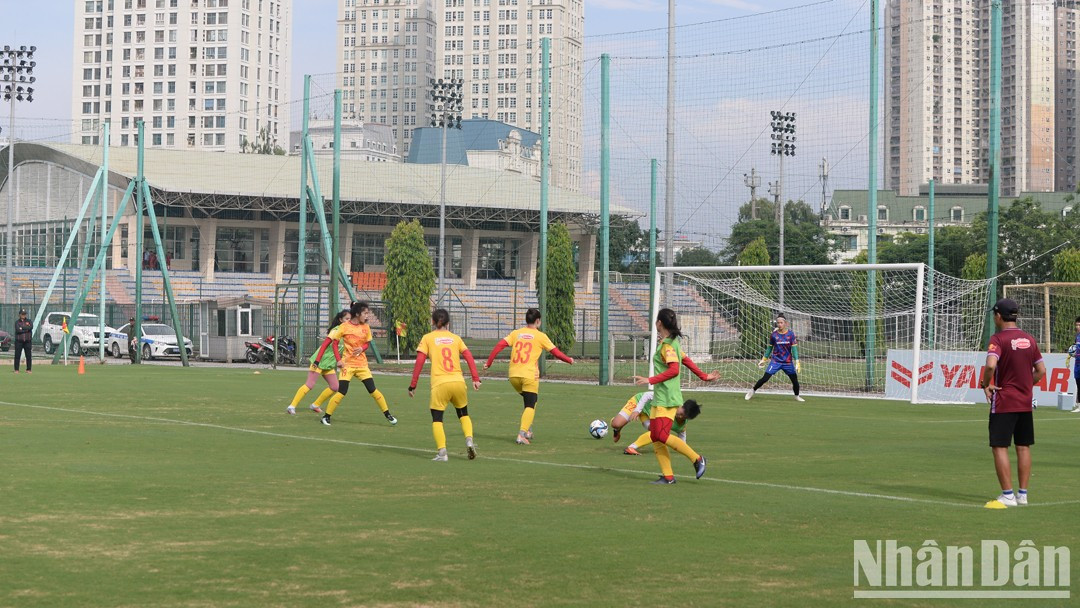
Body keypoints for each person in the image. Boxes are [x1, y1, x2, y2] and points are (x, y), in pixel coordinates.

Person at [631, 308, 720, 484]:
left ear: (659, 323)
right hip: (660, 397)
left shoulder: (669, 345)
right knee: (656, 436)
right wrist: (704, 376)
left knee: (662, 436)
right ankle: (668, 476)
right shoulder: (670, 343)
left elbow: (674, 369)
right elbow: (685, 360)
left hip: (668, 398)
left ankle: (697, 459)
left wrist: (650, 379)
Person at [981, 298, 1045, 509]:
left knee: (999, 446)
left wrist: (985, 384)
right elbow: (1041, 371)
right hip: (1025, 402)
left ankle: (1008, 495)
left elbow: (991, 365)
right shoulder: (1029, 339)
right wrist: (1028, 383)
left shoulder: (998, 339)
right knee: (1023, 446)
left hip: (1004, 400)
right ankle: (1022, 495)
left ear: (999, 316)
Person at [483, 307, 574, 445]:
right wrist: (569, 360)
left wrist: (489, 362)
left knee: (530, 401)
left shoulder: (517, 333)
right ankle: (521, 434)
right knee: (531, 404)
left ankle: (528, 430)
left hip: (513, 376)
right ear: (538, 321)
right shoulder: (541, 336)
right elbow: (556, 353)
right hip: (529, 376)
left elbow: (499, 345)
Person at [409, 308, 482, 462]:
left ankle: (442, 453)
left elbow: (420, 362)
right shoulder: (455, 338)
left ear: (433, 322)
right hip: (458, 382)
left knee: (437, 419)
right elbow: (468, 356)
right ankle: (469, 440)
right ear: (448, 323)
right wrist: (475, 378)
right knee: (463, 414)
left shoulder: (428, 338)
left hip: (440, 384)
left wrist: (413, 385)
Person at [320, 301, 398, 426]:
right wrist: (338, 360)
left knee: (373, 390)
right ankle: (326, 417)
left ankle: (388, 414)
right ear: (357, 314)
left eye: (368, 313)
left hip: (362, 365)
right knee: (342, 391)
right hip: (347, 365)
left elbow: (367, 343)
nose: (367, 316)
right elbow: (334, 343)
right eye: (365, 313)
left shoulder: (366, 327)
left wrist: (362, 348)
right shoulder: (344, 326)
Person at [286, 309, 349, 415]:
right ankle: (291, 406)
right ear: (340, 320)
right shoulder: (336, 330)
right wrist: (317, 361)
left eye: (350, 319)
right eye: (347, 319)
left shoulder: (348, 333)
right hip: (320, 361)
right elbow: (324, 345)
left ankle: (315, 405)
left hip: (328, 364)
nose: (349, 321)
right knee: (310, 385)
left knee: (335, 387)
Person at [609, 390, 701, 456]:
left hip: (648, 416)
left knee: (656, 431)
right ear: (682, 405)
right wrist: (637, 410)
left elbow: (682, 440)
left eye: (683, 417)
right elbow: (647, 395)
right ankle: (618, 428)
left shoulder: (681, 425)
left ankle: (632, 447)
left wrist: (684, 450)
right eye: (680, 413)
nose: (679, 416)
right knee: (616, 424)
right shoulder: (671, 401)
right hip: (639, 402)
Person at [745, 313, 804, 402]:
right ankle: (752, 391)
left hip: (787, 362)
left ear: (785, 323)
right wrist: (763, 360)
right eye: (778, 323)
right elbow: (769, 349)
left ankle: (797, 396)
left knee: (794, 380)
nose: (779, 324)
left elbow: (794, 348)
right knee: (765, 378)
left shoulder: (791, 334)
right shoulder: (774, 335)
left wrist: (797, 361)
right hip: (775, 361)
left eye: (781, 323)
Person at [1067, 316, 1080, 413]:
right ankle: (1079, 405)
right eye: (1076, 325)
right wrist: (1071, 355)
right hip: (1077, 364)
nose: (1077, 327)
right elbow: (1075, 349)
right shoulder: (1077, 336)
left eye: (1079, 325)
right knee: (1078, 383)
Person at [13, 309, 33, 374]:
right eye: (22, 314)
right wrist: (26, 329)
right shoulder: (17, 322)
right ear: (20, 315)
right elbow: (18, 330)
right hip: (19, 341)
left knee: (28, 356)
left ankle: (29, 369)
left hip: (27, 341)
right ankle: (16, 369)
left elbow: (30, 327)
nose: (23, 315)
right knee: (17, 355)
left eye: (24, 314)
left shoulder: (29, 321)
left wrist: (22, 328)